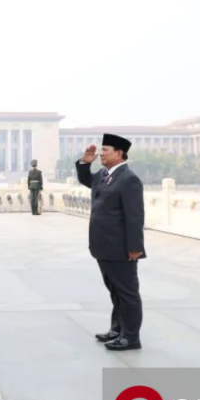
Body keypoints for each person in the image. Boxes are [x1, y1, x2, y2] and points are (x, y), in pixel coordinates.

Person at [75, 134, 145, 351]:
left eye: (106, 150)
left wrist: (135, 248)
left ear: (119, 153)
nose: (101, 153)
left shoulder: (129, 179)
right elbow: (87, 180)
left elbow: (135, 217)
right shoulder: (104, 175)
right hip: (103, 246)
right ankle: (117, 329)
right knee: (115, 292)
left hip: (120, 248)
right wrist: (85, 163)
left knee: (127, 293)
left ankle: (131, 337)